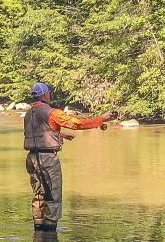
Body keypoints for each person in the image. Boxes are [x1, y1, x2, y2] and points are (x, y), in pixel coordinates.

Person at [23, 82, 113, 231]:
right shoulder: (52, 113)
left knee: (38, 195)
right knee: (52, 195)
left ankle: (39, 238)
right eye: (49, 93)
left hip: (32, 159)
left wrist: (60, 135)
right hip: (47, 160)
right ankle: (50, 236)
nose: (50, 95)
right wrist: (100, 119)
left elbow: (36, 134)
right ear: (45, 95)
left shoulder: (28, 113)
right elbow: (77, 124)